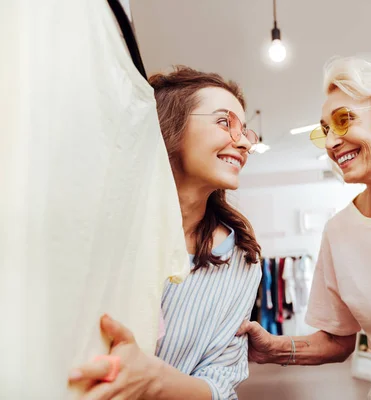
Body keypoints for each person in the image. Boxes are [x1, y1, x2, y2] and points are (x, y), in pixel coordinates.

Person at [237, 56, 371, 400]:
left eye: (343, 120)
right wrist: (271, 348)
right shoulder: (339, 233)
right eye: (325, 131)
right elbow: (338, 340)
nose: (332, 143)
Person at [68, 67, 262, 400]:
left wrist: (155, 381)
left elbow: (220, 384)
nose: (243, 142)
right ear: (168, 127)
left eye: (245, 130)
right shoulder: (96, 229)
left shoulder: (242, 262)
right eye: (224, 122)